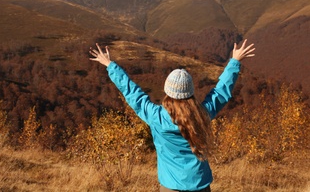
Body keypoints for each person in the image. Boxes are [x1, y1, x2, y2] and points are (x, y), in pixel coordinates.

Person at [89, 40, 255, 192]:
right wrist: (234, 61)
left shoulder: (156, 117)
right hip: (200, 185)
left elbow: (132, 92)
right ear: (190, 92)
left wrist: (110, 65)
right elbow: (220, 93)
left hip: (170, 187)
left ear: (167, 91)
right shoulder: (201, 115)